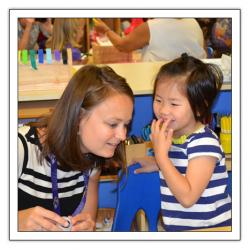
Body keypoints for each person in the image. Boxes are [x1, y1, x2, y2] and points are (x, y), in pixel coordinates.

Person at [18, 65, 134, 231]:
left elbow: (87, 224)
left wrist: (85, 229)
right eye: (113, 124)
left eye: (126, 125)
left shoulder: (92, 161)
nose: (123, 135)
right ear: (78, 118)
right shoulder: (20, 148)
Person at [133, 54, 232, 231]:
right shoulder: (175, 136)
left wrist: (162, 158)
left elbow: (188, 197)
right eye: (158, 100)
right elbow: (183, 167)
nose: (163, 110)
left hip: (211, 231)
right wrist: (158, 163)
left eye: (174, 104)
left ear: (200, 106)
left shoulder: (204, 143)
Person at [94, 18, 206, 62]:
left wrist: (106, 30)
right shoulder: (194, 23)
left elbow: (122, 46)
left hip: (160, 84)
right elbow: (203, 49)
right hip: (193, 84)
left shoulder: (151, 26)